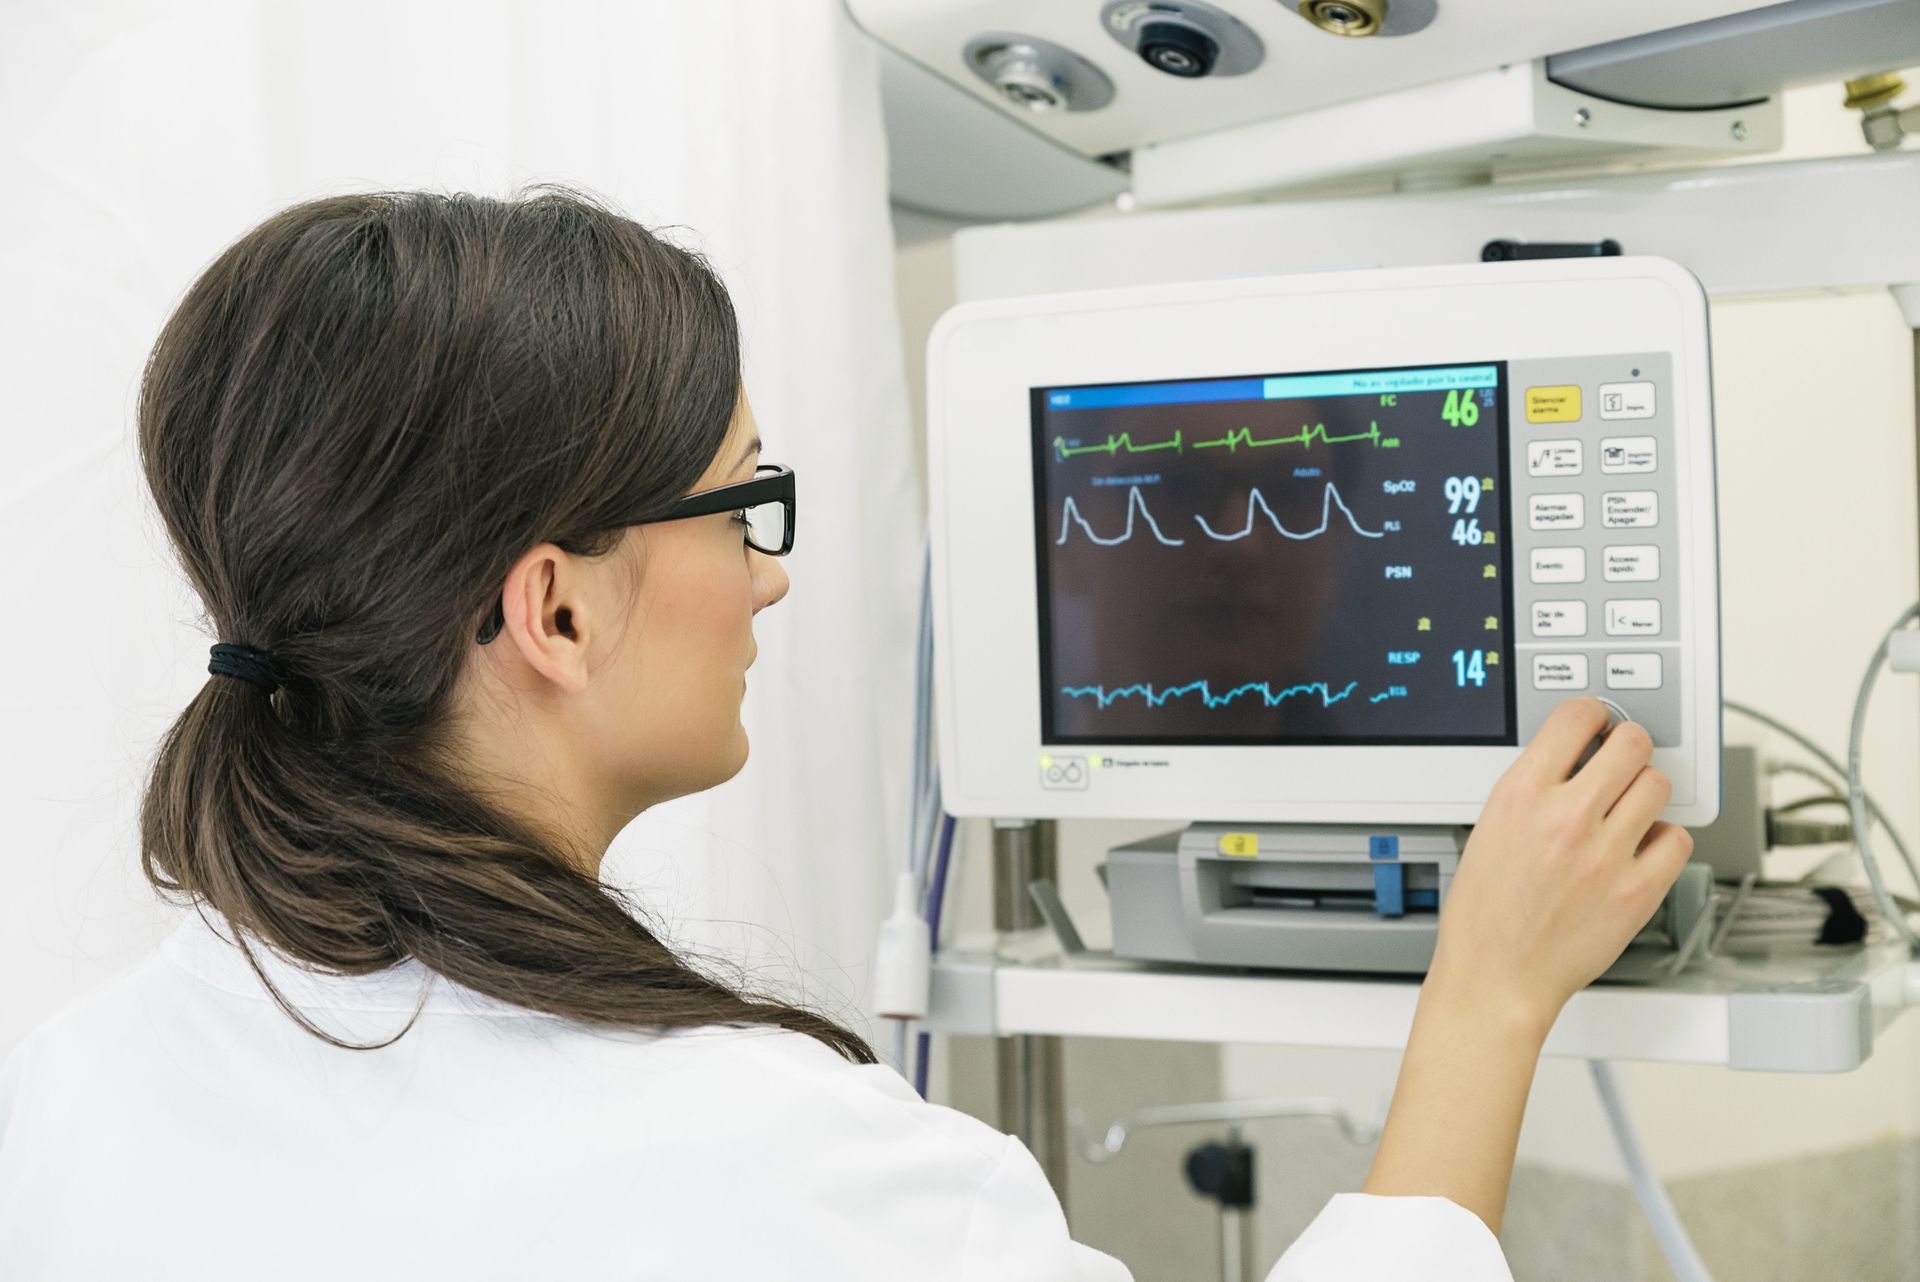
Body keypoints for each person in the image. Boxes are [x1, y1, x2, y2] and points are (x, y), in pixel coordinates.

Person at [0, 189, 1691, 1280]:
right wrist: (1490, 993)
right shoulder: (777, 1168)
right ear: (556, 612)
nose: (774, 573)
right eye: (743, 504)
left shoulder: (72, 1091)